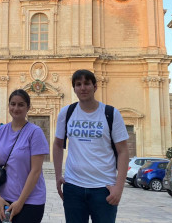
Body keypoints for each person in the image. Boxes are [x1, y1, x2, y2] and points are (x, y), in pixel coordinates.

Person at [53, 69, 129, 223]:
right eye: (78, 84)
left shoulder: (111, 113)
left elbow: (123, 151)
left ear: (95, 86)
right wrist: (58, 176)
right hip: (73, 187)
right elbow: (57, 145)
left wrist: (119, 188)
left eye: (87, 83)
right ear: (73, 89)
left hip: (104, 189)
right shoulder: (66, 112)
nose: (83, 88)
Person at [0, 89, 48, 223]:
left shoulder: (35, 132)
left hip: (30, 201)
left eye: (21, 105)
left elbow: (36, 170)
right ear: (8, 106)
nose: (16, 108)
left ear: (28, 108)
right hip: (2, 199)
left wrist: (20, 201)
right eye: (13, 104)